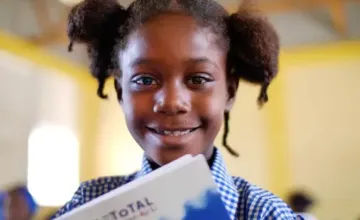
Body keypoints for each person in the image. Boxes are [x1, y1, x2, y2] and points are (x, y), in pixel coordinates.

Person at [53, 0, 301, 219]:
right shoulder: (87, 204)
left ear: (231, 91)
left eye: (198, 79)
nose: (171, 102)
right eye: (145, 80)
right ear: (120, 92)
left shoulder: (265, 213)